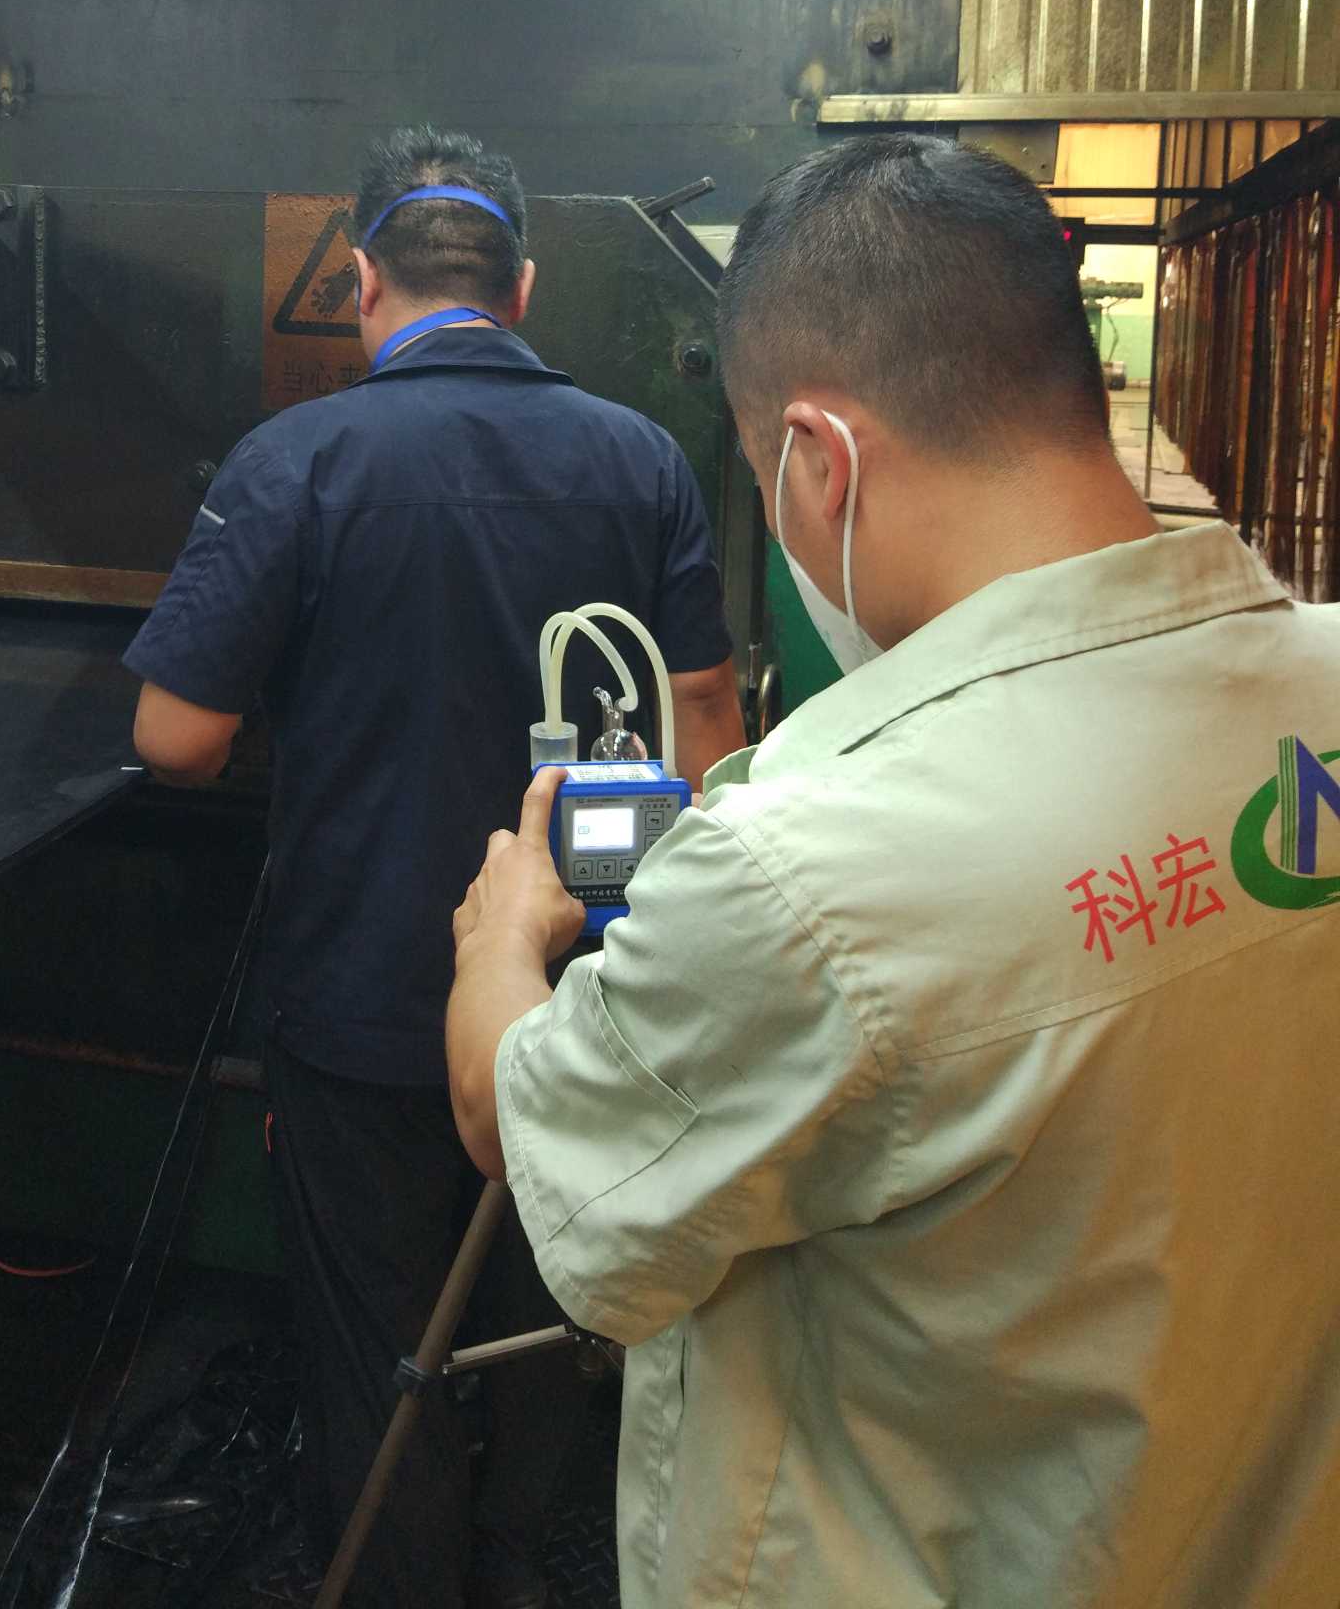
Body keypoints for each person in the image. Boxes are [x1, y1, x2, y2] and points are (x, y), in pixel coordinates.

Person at [447, 131, 1340, 1609]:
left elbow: (518, 1121)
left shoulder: (809, 869)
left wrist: (499, 939)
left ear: (819, 458)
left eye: (764, 476)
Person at [125, 125, 743, 1609]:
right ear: (520, 289)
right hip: (582, 995)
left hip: (360, 1001)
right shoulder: (642, 457)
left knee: (376, 1347)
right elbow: (710, 737)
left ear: (361, 285)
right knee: (548, 1307)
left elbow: (177, 738)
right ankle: (521, 1563)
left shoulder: (294, 460)